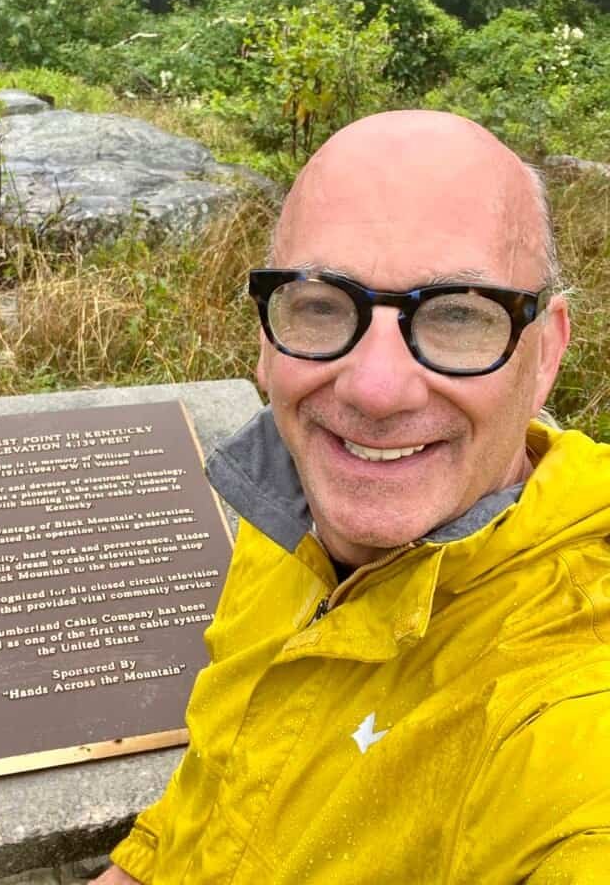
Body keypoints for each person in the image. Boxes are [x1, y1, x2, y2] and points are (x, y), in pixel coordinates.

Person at [94, 110, 610, 884]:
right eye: (321, 303)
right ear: (268, 340)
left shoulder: (565, 715)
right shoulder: (292, 511)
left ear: (546, 353)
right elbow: (211, 797)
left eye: (459, 315)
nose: (374, 389)